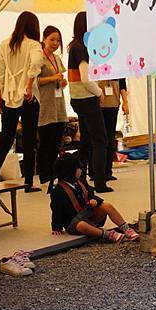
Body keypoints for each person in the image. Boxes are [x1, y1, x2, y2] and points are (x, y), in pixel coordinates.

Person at [0, 11, 44, 192]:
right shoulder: (34, 45)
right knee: (29, 141)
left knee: (5, 139)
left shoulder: (5, 44)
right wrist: (28, 86)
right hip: (28, 98)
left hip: (8, 96)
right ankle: (29, 182)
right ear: (34, 27)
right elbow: (36, 65)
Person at [49, 152, 139, 243]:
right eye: (78, 168)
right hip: (73, 222)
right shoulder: (58, 190)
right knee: (81, 226)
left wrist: (94, 200)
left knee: (107, 206)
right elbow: (56, 209)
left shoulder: (81, 182)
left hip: (88, 214)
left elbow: (91, 194)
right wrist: (56, 227)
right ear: (69, 171)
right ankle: (108, 235)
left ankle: (126, 229)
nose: (81, 170)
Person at [67, 12, 112, 193]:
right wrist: (99, 92)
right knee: (101, 140)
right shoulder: (81, 48)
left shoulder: (74, 46)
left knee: (86, 141)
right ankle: (100, 182)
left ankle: (81, 178)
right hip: (86, 99)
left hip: (77, 99)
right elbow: (86, 79)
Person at [37, 26, 68, 186]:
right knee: (45, 142)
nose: (55, 43)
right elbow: (34, 81)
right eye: (52, 39)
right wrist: (52, 78)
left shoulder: (57, 58)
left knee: (56, 142)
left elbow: (62, 80)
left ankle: (54, 173)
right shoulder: (38, 58)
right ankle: (44, 174)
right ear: (44, 39)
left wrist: (62, 81)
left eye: (58, 40)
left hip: (58, 104)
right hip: (45, 104)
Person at [91, 78, 129, 182]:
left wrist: (125, 102)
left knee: (110, 140)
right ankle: (95, 172)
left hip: (113, 105)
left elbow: (122, 86)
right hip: (98, 105)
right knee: (98, 140)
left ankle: (107, 171)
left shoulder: (118, 67)